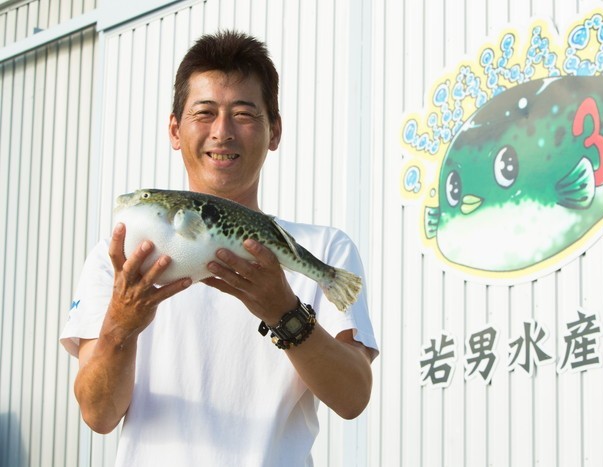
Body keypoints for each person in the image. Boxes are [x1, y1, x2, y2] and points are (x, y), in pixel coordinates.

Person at [60, 30, 378, 466]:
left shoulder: (321, 248)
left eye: (244, 114)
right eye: (204, 113)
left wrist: (283, 312)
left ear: (275, 130)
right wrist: (121, 323)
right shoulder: (120, 259)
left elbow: (353, 397)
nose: (222, 132)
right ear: (175, 129)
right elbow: (98, 414)